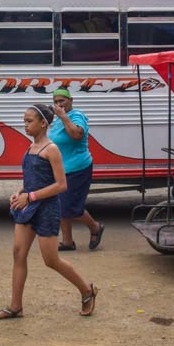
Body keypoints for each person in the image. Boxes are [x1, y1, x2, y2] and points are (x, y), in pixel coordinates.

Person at [0, 104, 98, 319]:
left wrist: (29, 197)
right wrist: (18, 191)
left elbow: (61, 185)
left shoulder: (52, 149)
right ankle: (15, 307)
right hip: (27, 208)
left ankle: (87, 290)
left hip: (46, 209)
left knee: (51, 260)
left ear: (43, 123)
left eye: (29, 121)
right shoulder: (30, 148)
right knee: (18, 254)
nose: (25, 125)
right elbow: (32, 178)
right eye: (24, 121)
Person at [49, 88, 104, 251]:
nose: (59, 104)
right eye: (56, 102)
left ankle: (95, 227)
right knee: (60, 205)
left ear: (70, 100)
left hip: (78, 168)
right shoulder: (58, 119)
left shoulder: (76, 116)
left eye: (62, 101)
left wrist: (64, 116)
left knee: (71, 207)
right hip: (61, 169)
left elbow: (76, 135)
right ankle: (67, 241)